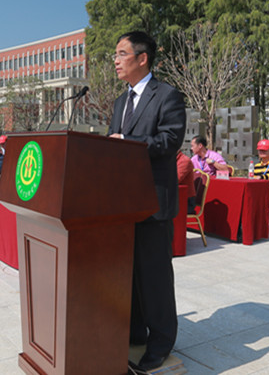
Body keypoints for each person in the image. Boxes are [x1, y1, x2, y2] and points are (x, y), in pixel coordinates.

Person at [108, 31, 186, 371]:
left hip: (154, 203)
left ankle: (161, 343)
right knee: (129, 276)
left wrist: (127, 140)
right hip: (123, 205)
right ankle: (135, 332)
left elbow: (169, 141)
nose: (116, 60)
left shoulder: (167, 95)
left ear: (143, 58)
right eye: (115, 55)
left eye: (122, 54)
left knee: (154, 278)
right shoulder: (119, 102)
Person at [176, 149, 197, 214]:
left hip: (186, 201)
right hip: (175, 197)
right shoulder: (171, 159)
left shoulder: (184, 161)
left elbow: (176, 180)